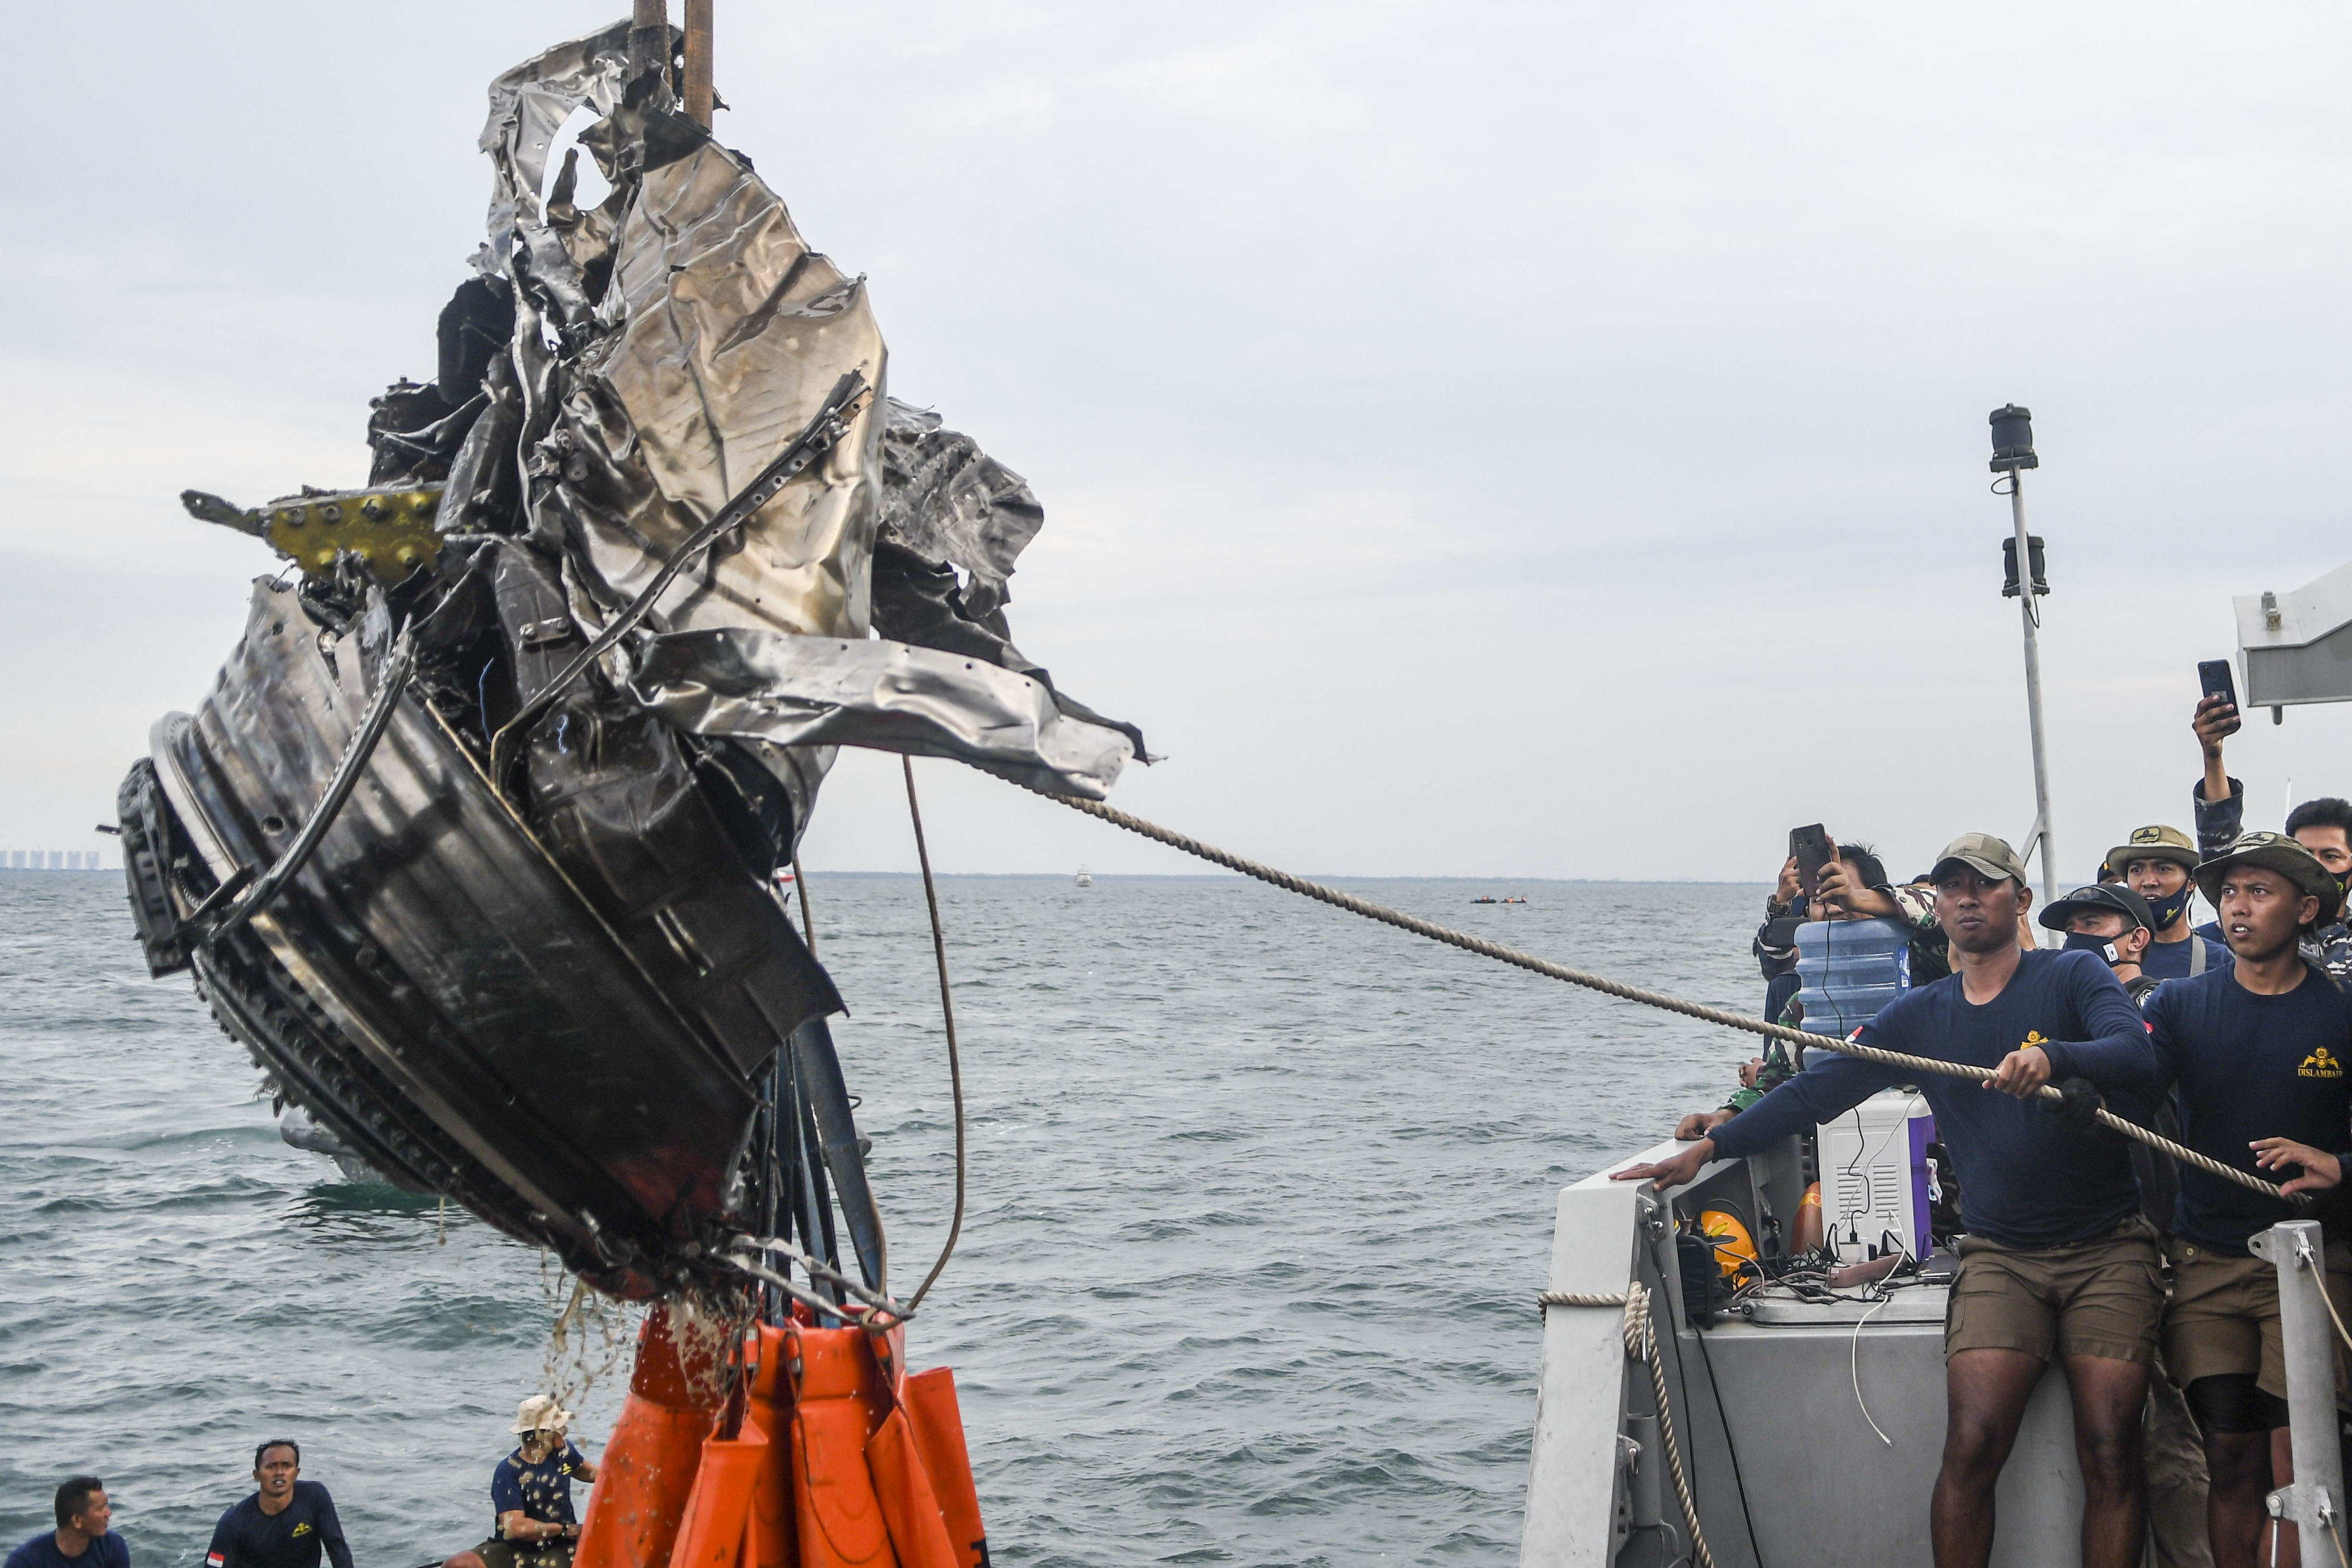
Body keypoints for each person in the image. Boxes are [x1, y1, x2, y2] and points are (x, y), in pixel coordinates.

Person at [1616, 832, 2161, 1568]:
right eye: (1952, 886)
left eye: (1985, 884)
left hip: (2106, 1248)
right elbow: (1819, 1089)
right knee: (1970, 1445)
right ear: (1934, 906)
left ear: (2020, 900)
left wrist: (2053, 1056)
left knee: (2109, 1447)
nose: (1967, 898)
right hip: (2000, 1255)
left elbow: (2135, 1053)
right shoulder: (1919, 1015)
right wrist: (1717, 1146)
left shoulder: (2071, 976)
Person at [2141, 833, 2352, 1568]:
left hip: (2309, 1265)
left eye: (2258, 892)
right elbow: (2128, 1073)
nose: (2237, 907)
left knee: (2300, 1460)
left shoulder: (2341, 1014)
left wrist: (2340, 1165)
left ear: (2306, 908)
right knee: (2229, 1460)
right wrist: (2062, 1069)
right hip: (2204, 1264)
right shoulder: (2177, 1005)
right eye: (2229, 892)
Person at [2188, 694, 2352, 980]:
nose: (2315, 865)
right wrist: (2213, 757)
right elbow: (2220, 847)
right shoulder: (2265, 930)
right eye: (2304, 852)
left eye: (2331, 856)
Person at [470, 1396, 598, 1568]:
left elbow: (584, 1471)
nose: (565, 1430)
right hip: (514, 1548)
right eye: (560, 1428)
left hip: (559, 1546)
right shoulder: (508, 1472)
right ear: (543, 1435)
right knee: (461, 1563)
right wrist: (565, 1529)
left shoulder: (563, 1454)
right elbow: (516, 1528)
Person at [2106, 824, 2229, 981]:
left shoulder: (2222, 963)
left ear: (2191, 882)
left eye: (2163, 869)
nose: (2149, 882)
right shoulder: (2107, 958)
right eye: (2137, 870)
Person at [204, 1443, 353, 1568]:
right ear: (256, 1475)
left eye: (287, 1466)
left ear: (296, 1473)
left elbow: (338, 1551)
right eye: (271, 1467)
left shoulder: (315, 1497)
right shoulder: (233, 1522)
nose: (280, 1473)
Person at [8, 1479, 128, 1568]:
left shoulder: (113, 1546)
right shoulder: (25, 1561)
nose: (109, 1513)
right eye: (101, 1508)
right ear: (77, 1520)